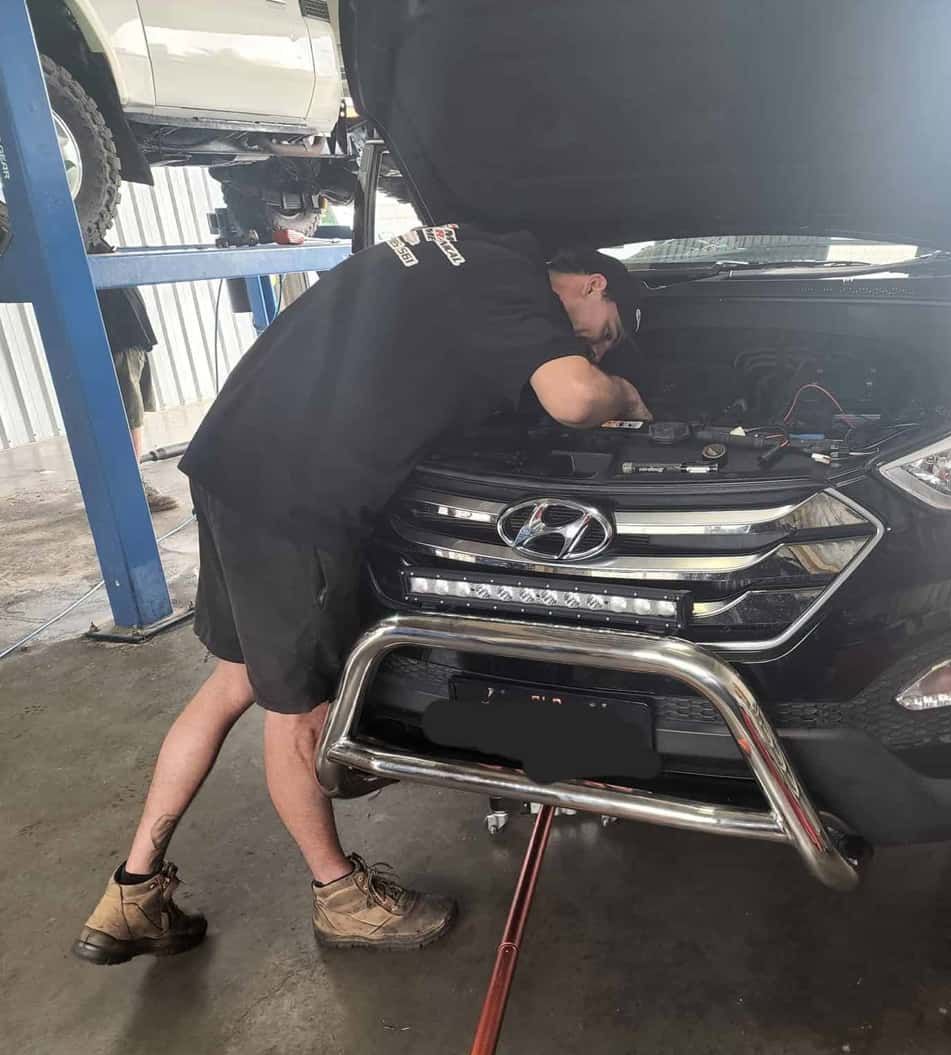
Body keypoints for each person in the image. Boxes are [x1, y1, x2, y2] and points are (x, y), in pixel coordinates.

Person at [71, 227, 651, 965]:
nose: (596, 348)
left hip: (231, 463)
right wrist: (627, 394)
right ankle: (340, 897)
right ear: (596, 285)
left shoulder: (456, 251)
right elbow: (574, 399)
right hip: (295, 499)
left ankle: (133, 890)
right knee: (300, 710)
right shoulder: (515, 282)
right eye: (608, 333)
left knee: (235, 680)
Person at [92, 241, 180, 513]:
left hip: (131, 336)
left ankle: (125, 482)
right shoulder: (72, 238)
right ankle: (132, 486)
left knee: (132, 412)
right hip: (117, 338)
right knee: (128, 415)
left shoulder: (90, 236)